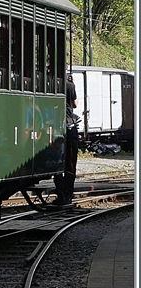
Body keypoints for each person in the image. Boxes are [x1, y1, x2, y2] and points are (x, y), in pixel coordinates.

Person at [58, 72, 80, 205]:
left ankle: (60, 192)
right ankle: (67, 193)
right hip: (68, 126)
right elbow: (75, 104)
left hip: (54, 126)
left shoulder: (52, 84)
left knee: (58, 164)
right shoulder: (70, 86)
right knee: (70, 164)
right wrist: (74, 85)